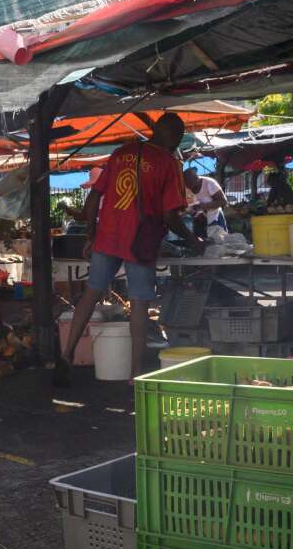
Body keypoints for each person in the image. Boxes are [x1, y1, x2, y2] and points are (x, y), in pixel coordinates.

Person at [60, 113, 205, 379]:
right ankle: (135, 372)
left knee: (91, 294)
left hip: (108, 236)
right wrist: (193, 240)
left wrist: (91, 235)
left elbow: (94, 197)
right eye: (179, 136)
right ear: (171, 135)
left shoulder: (120, 152)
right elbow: (169, 217)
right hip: (140, 241)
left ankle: (67, 354)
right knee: (139, 303)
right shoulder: (168, 163)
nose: (178, 142)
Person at [183, 167, 227, 235]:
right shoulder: (186, 187)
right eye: (186, 184)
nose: (189, 187)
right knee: (202, 243)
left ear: (196, 179)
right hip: (199, 222)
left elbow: (223, 201)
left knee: (219, 242)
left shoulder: (209, 183)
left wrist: (203, 207)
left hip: (215, 218)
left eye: (190, 184)